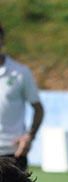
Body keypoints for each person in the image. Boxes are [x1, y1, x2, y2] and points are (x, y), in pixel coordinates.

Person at [0, 23, 44, 172]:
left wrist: (29, 137)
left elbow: (38, 108)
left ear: (2, 40)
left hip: (12, 153)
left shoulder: (20, 72)